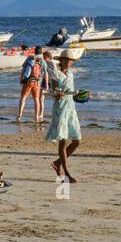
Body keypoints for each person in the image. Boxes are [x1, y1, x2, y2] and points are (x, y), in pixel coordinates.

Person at [46, 52, 81, 181]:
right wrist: (57, 93)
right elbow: (54, 90)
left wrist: (81, 95)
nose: (68, 62)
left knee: (77, 140)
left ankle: (57, 163)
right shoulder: (56, 74)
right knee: (63, 140)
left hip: (71, 108)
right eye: (65, 59)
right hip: (60, 108)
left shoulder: (71, 74)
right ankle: (66, 173)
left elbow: (72, 92)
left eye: (70, 60)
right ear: (61, 60)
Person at [16, 47, 44, 122]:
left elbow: (23, 69)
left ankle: (19, 116)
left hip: (28, 80)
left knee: (23, 97)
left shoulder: (30, 58)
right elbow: (43, 72)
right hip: (37, 81)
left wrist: (21, 79)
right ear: (41, 52)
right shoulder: (42, 60)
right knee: (36, 99)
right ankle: (36, 117)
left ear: (34, 51)